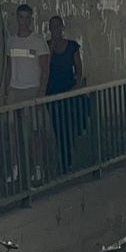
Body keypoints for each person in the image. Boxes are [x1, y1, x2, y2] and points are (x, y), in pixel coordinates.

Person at [45, 15, 88, 169]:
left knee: (70, 123)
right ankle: (64, 160)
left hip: (69, 89)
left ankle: (71, 153)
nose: (56, 29)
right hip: (53, 91)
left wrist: (76, 85)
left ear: (62, 27)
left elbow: (78, 68)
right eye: (53, 26)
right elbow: (44, 67)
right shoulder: (46, 45)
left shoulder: (72, 46)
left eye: (58, 26)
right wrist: (50, 48)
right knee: (59, 127)